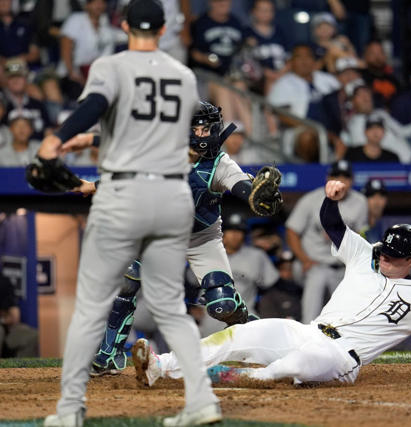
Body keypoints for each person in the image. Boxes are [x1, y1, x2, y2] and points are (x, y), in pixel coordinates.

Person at [130, 179, 411, 388]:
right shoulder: (366, 254)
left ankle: (242, 379)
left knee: (294, 366)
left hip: (342, 359)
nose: (384, 257)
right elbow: (333, 226)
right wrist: (331, 199)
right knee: (240, 336)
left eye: (394, 256)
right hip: (308, 331)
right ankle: (159, 367)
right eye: (385, 251)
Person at [37, 1, 221, 425]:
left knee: (91, 307)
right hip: (173, 194)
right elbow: (157, 127)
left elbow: (96, 102)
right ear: (164, 28)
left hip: (125, 192)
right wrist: (89, 140)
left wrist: (60, 138)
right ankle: (202, 403)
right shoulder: (183, 75)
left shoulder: (111, 65)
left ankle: (68, 411)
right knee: (171, 308)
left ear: (122, 25)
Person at [63, 102, 281, 373]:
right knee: (127, 279)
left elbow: (242, 187)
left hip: (202, 238)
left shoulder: (220, 163)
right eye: (198, 128)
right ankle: (110, 354)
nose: (205, 134)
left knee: (221, 305)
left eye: (209, 128)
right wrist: (92, 186)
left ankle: (245, 320)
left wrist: (253, 193)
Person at [285, 160, 367, 323]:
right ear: (328, 178)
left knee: (344, 317)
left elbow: (361, 235)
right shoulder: (311, 200)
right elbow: (292, 230)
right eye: (336, 176)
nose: (341, 181)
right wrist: (304, 260)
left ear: (352, 180)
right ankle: (307, 339)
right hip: (316, 265)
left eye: (345, 177)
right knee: (312, 313)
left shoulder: (360, 202)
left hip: (342, 267)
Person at [340, 79, 411, 163]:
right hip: (389, 166)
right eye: (359, 95)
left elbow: (402, 131)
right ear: (352, 102)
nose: (365, 97)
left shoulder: (381, 113)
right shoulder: (354, 124)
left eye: (366, 92)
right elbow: (365, 152)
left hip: (409, 161)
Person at [0, 270, 39, 357]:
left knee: (31, 336)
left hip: (5, 327)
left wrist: (3, 319)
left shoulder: (3, 281)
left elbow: (14, 316)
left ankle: (21, 369)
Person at [358, 178, 388, 244]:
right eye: (372, 196)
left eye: (381, 197)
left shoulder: (389, 228)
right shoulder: (355, 225)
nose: (377, 202)